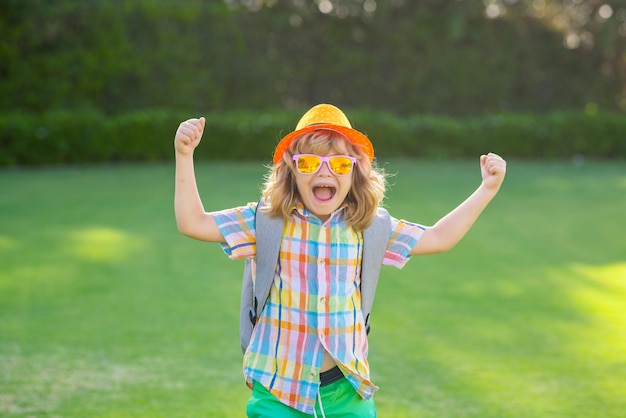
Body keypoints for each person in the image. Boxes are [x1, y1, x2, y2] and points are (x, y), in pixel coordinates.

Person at [173, 104, 507, 417]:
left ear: (355, 170)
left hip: (348, 394)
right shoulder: (266, 221)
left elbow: (438, 238)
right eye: (309, 163)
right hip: (278, 392)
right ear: (290, 166)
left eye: (339, 164)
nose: (324, 171)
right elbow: (193, 222)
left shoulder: (370, 226)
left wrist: (487, 189)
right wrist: (184, 155)